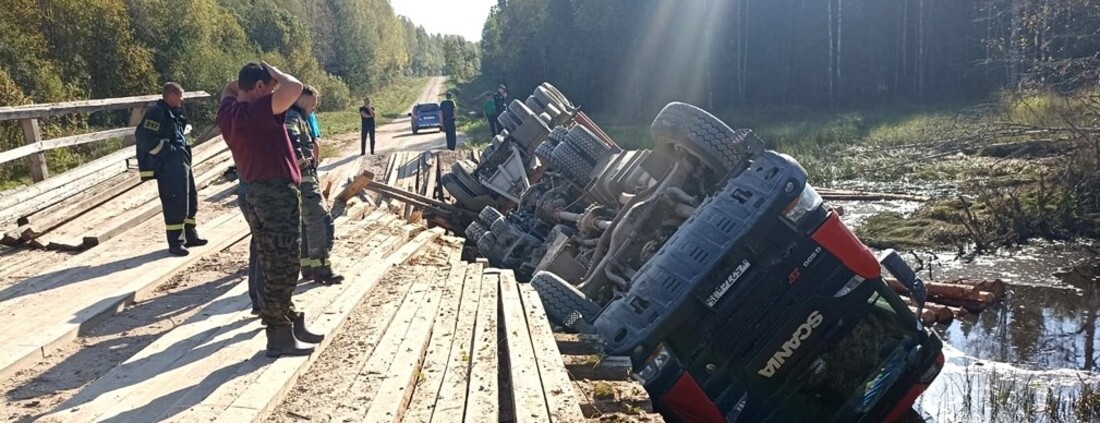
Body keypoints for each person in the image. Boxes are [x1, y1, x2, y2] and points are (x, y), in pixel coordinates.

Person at [218, 61, 322, 358]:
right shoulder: (257, 111)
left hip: (252, 190)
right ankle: (278, 335)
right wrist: (274, 71)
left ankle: (289, 322)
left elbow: (228, 89)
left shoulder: (229, 111)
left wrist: (249, 79)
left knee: (270, 259)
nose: (276, 91)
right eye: (270, 87)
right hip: (274, 194)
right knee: (283, 265)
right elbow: (296, 87)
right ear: (260, 87)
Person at [135, 82, 208, 256]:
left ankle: (191, 235)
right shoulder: (157, 113)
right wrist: (168, 153)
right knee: (175, 202)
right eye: (180, 96)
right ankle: (175, 242)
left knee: (190, 198)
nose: (182, 100)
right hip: (168, 166)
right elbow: (144, 138)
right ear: (171, 96)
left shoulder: (172, 113)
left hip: (181, 162)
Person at [285, 86, 343, 285]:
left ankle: (308, 267)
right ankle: (322, 270)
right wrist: (301, 160)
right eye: (313, 102)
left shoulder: (298, 116)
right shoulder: (292, 116)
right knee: (319, 222)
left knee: (305, 223)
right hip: (304, 180)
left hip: (303, 178)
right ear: (303, 99)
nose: (314, 107)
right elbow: (289, 139)